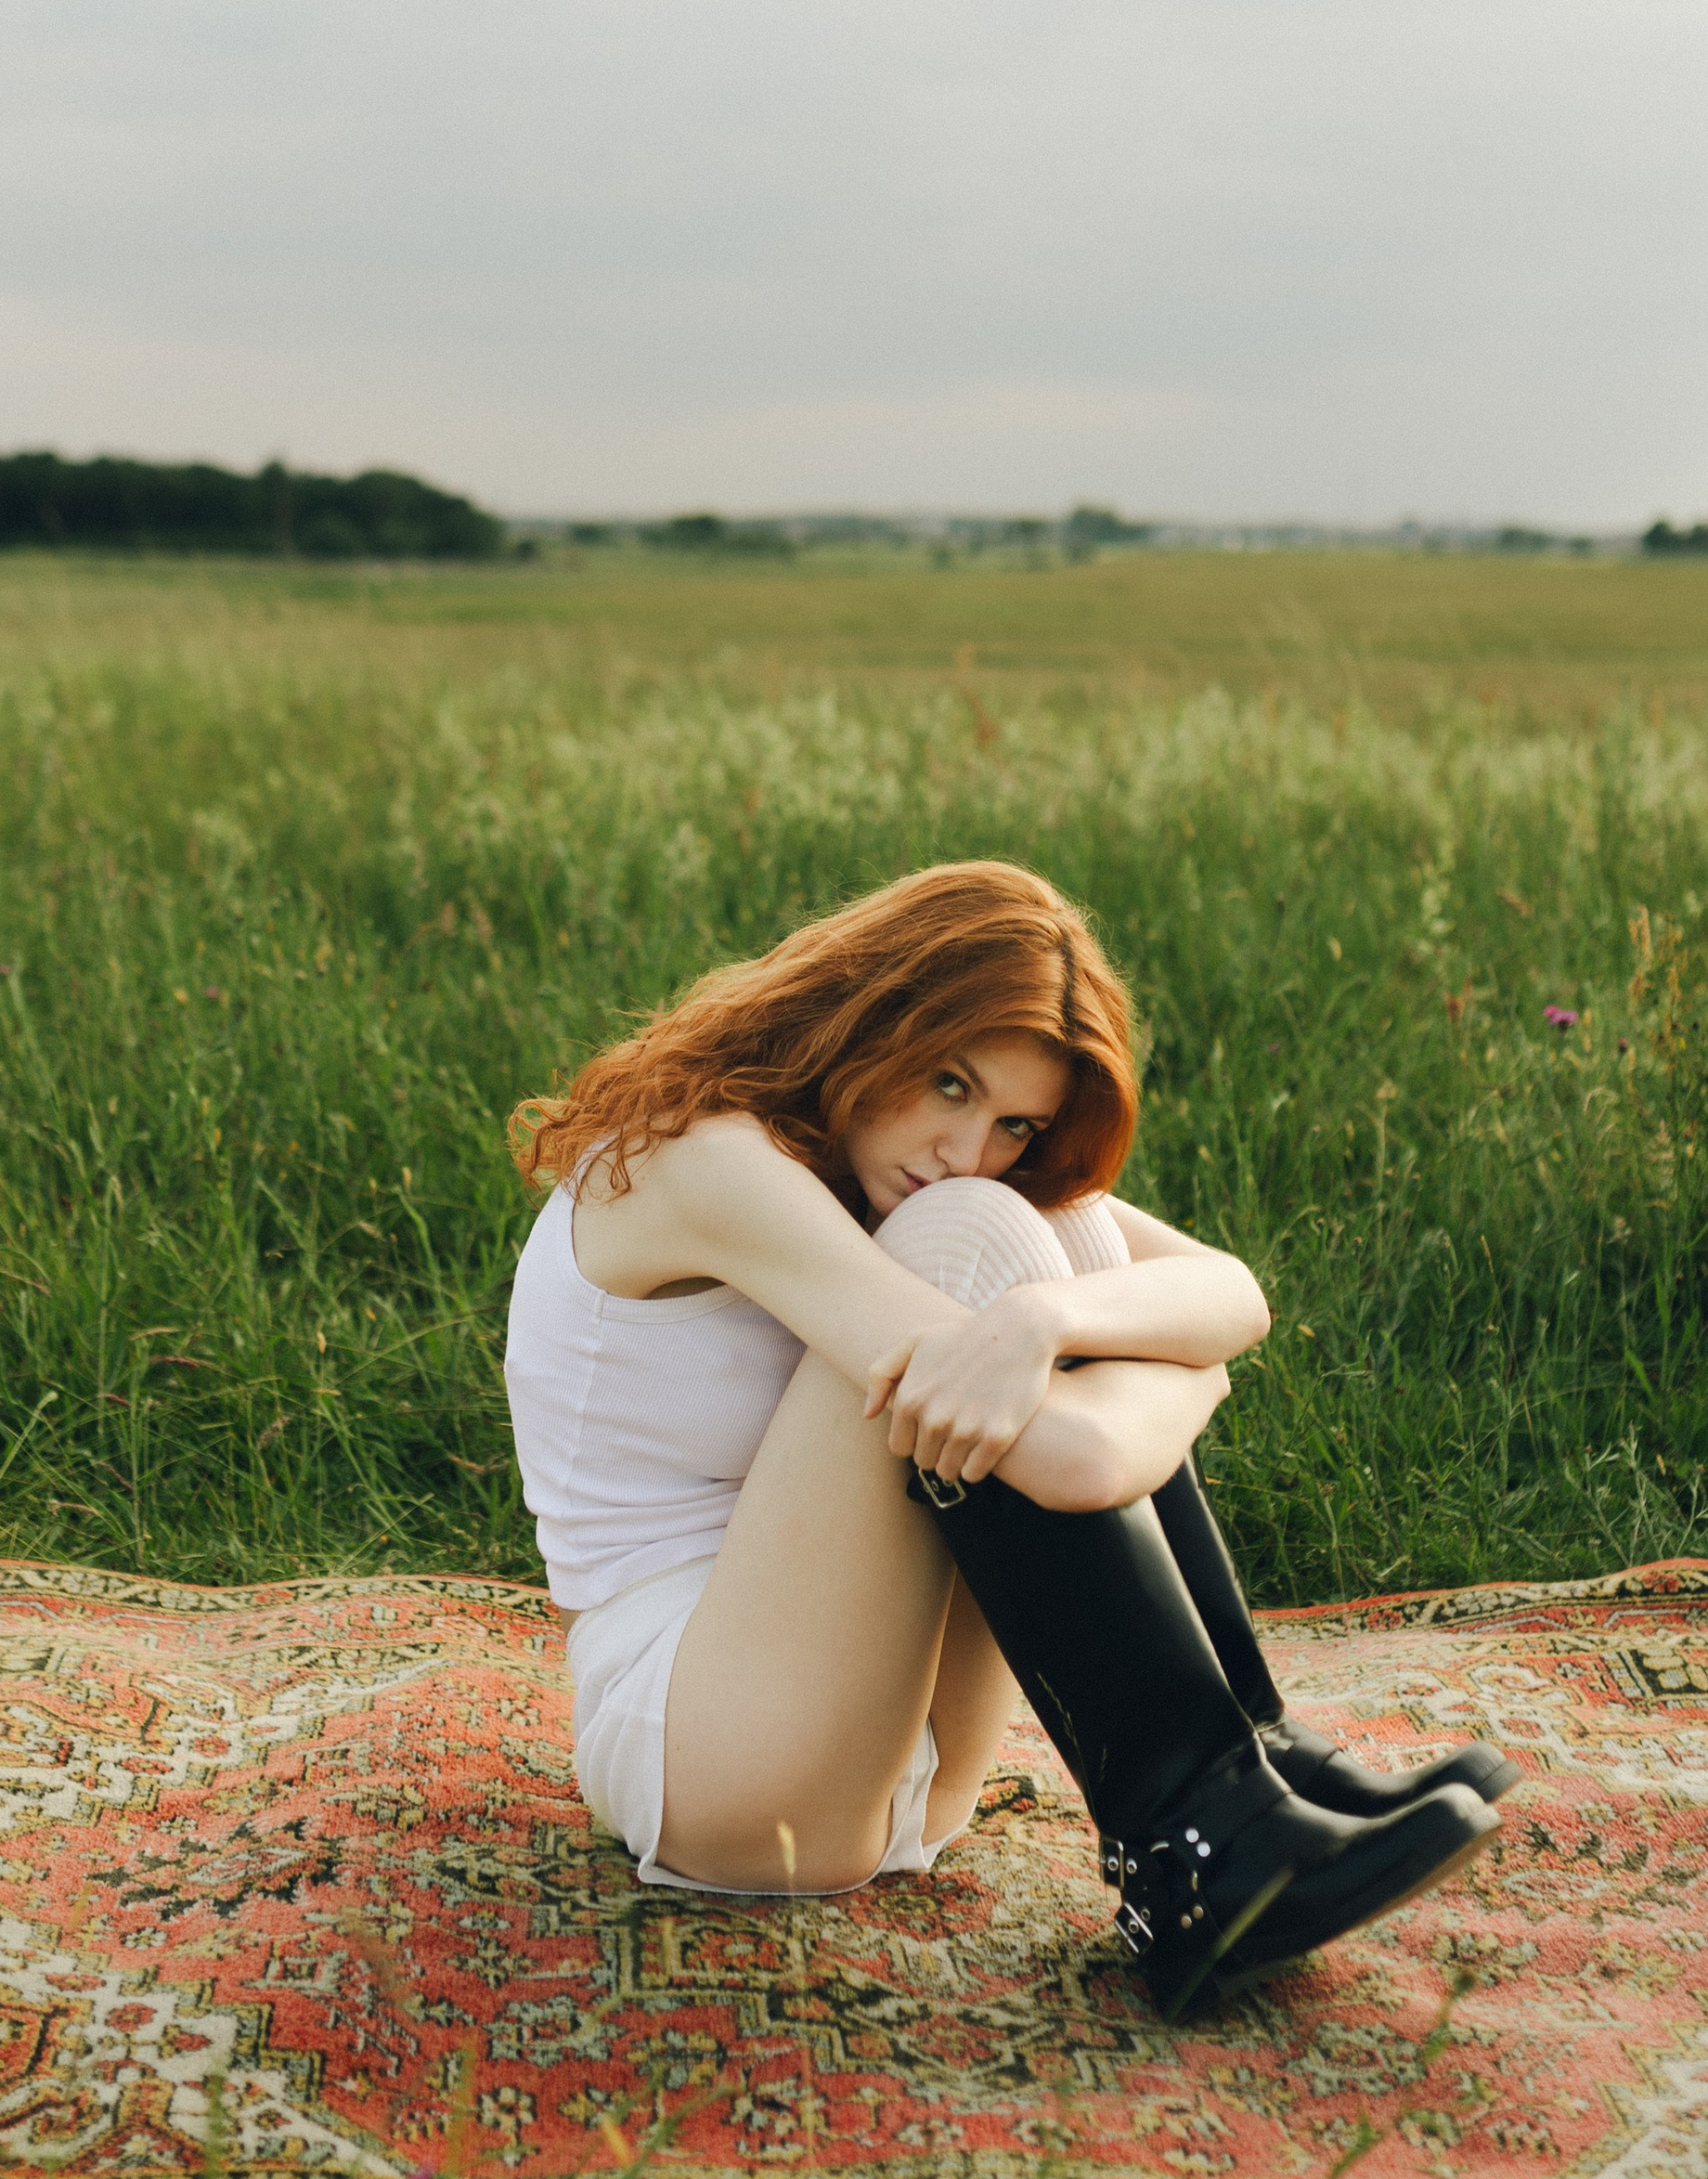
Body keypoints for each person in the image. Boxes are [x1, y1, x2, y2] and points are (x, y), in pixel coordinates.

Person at [502, 860, 1511, 2022]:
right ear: (871, 1015)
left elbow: (1231, 1293)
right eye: (946, 1082)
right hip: (708, 1760)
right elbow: (1077, 1462)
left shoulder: (901, 1163)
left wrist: (1056, 1318)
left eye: (1011, 1121)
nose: (962, 1143)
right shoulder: (708, 1159)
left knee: (1058, 1237)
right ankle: (1192, 1842)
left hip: (898, 1762)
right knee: (975, 1240)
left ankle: (1252, 1758)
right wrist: (1181, 1375)